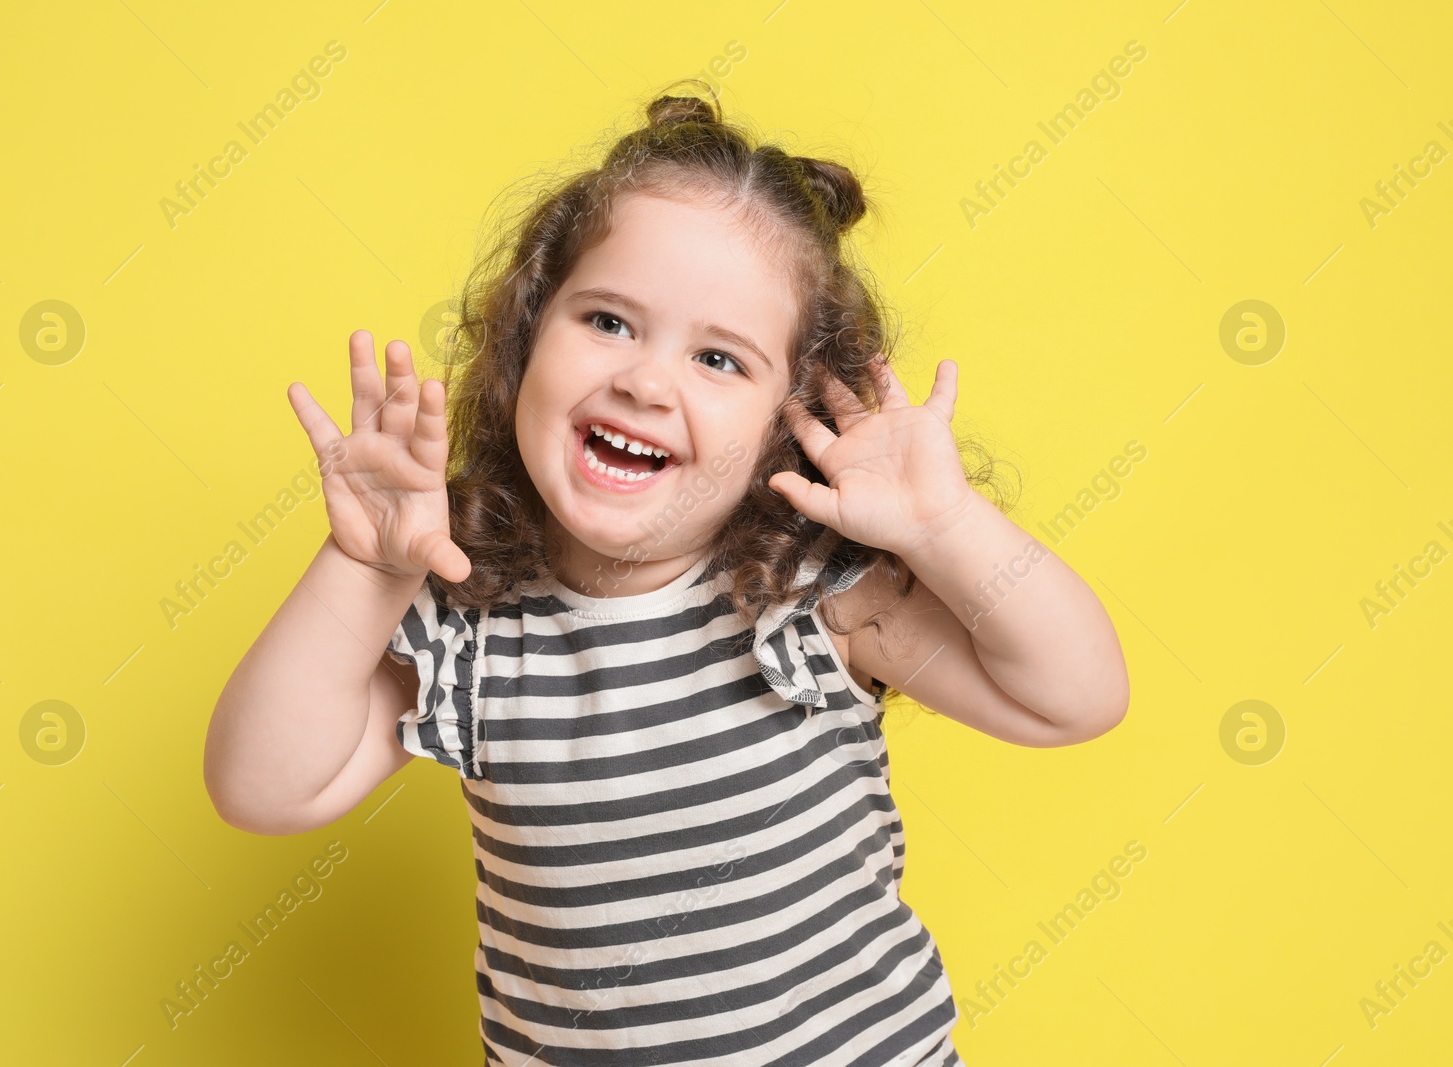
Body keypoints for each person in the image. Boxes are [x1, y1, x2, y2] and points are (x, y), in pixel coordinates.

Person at [203, 85, 1129, 1067]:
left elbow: (1074, 696)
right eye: (608, 321)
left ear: (789, 415)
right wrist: (358, 566)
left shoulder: (811, 596)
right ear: (523, 342)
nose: (646, 381)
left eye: (719, 359)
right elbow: (263, 787)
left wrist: (946, 523)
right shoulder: (467, 618)